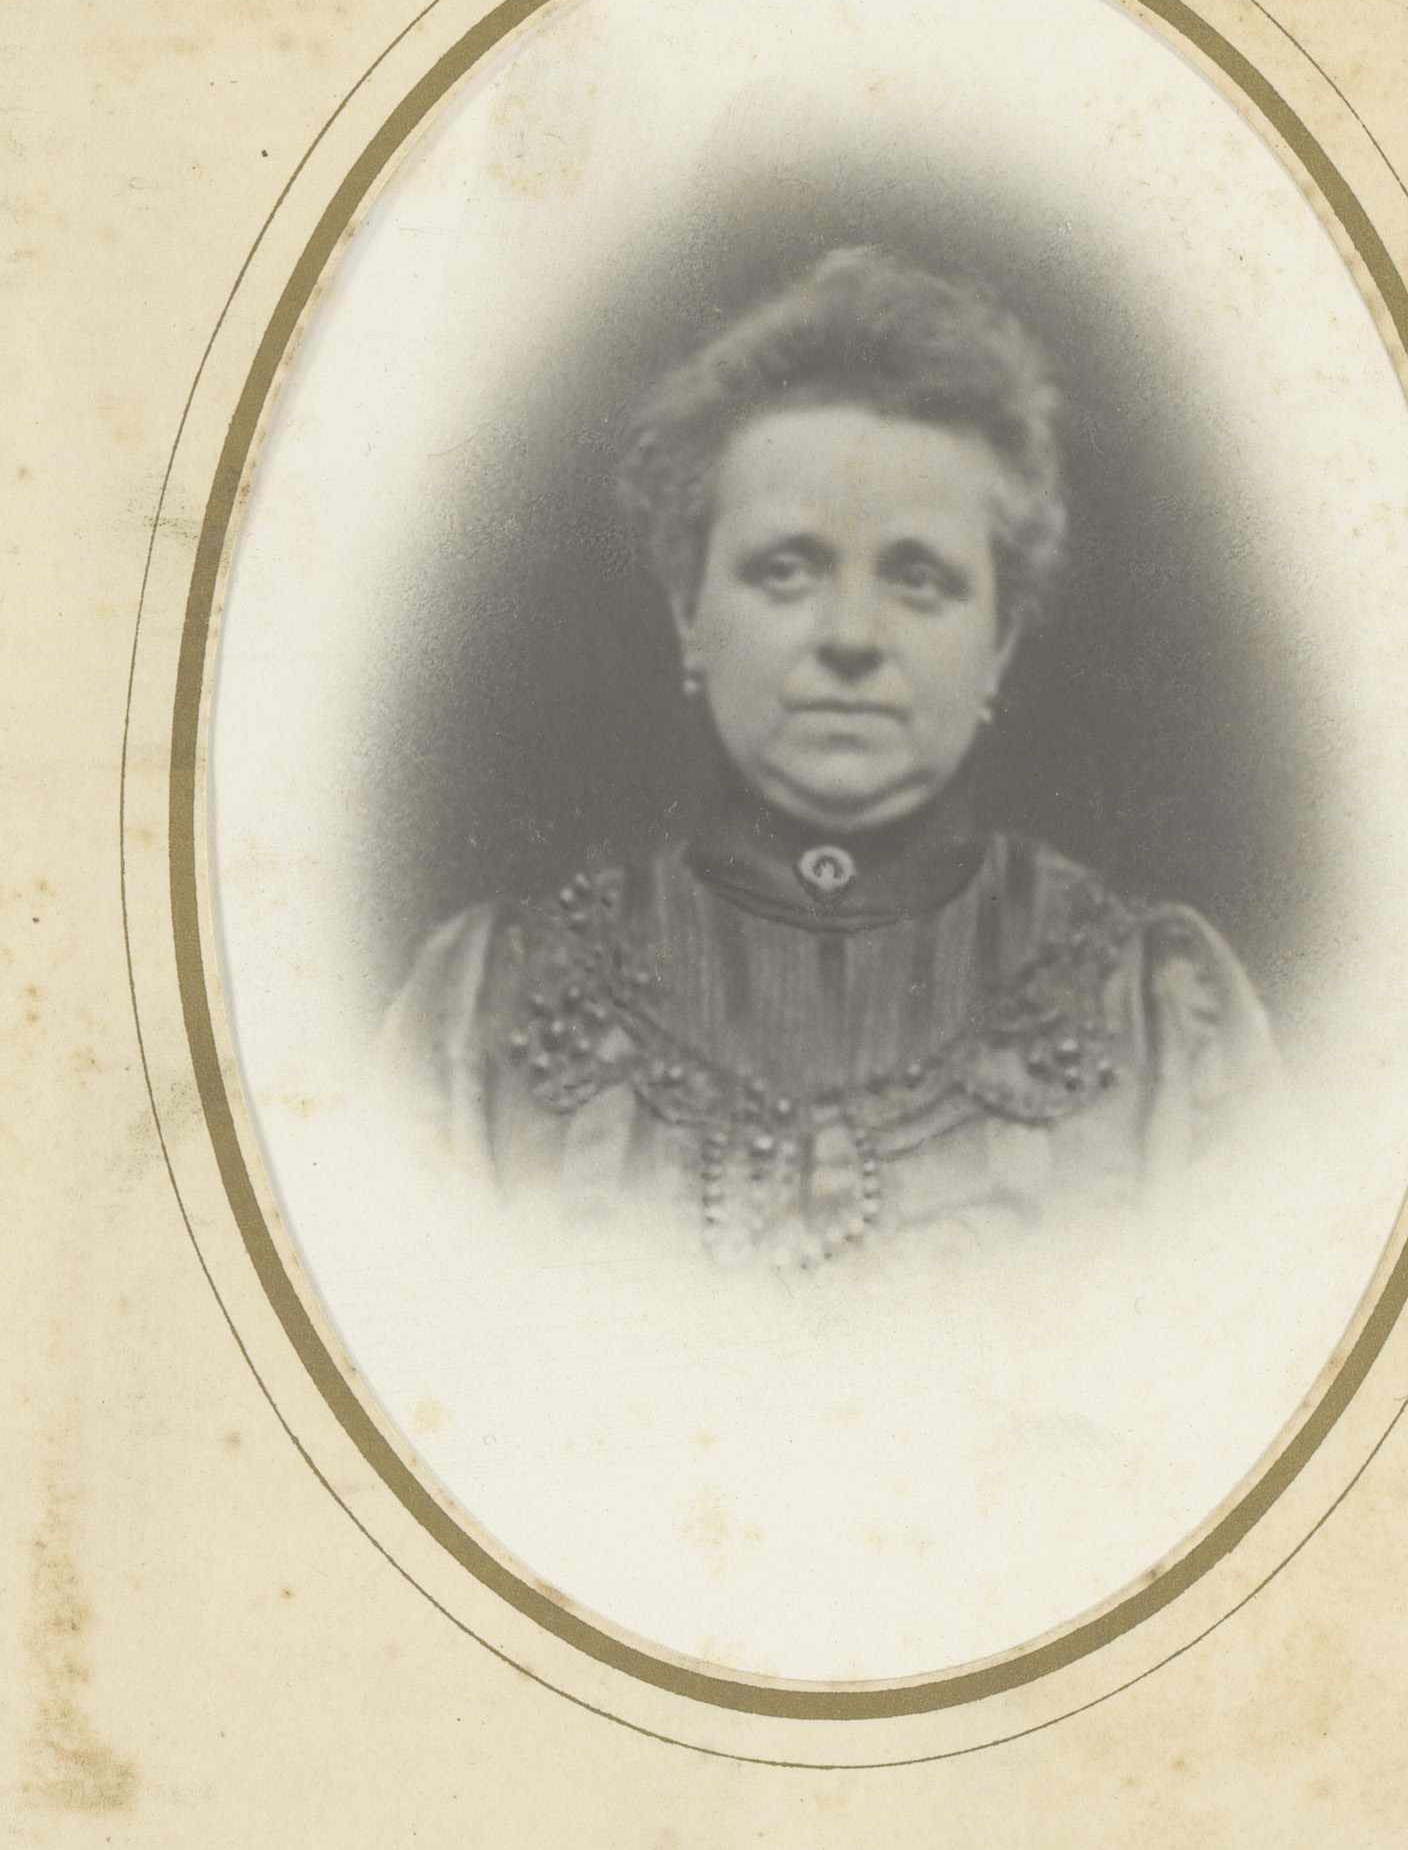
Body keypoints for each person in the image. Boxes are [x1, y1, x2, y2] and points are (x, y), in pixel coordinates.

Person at [377, 247, 1277, 1271]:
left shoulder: (1166, 1021)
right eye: (786, 568)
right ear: (688, 612)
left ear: (998, 640)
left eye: (918, 577)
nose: (850, 635)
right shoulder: (479, 1011)